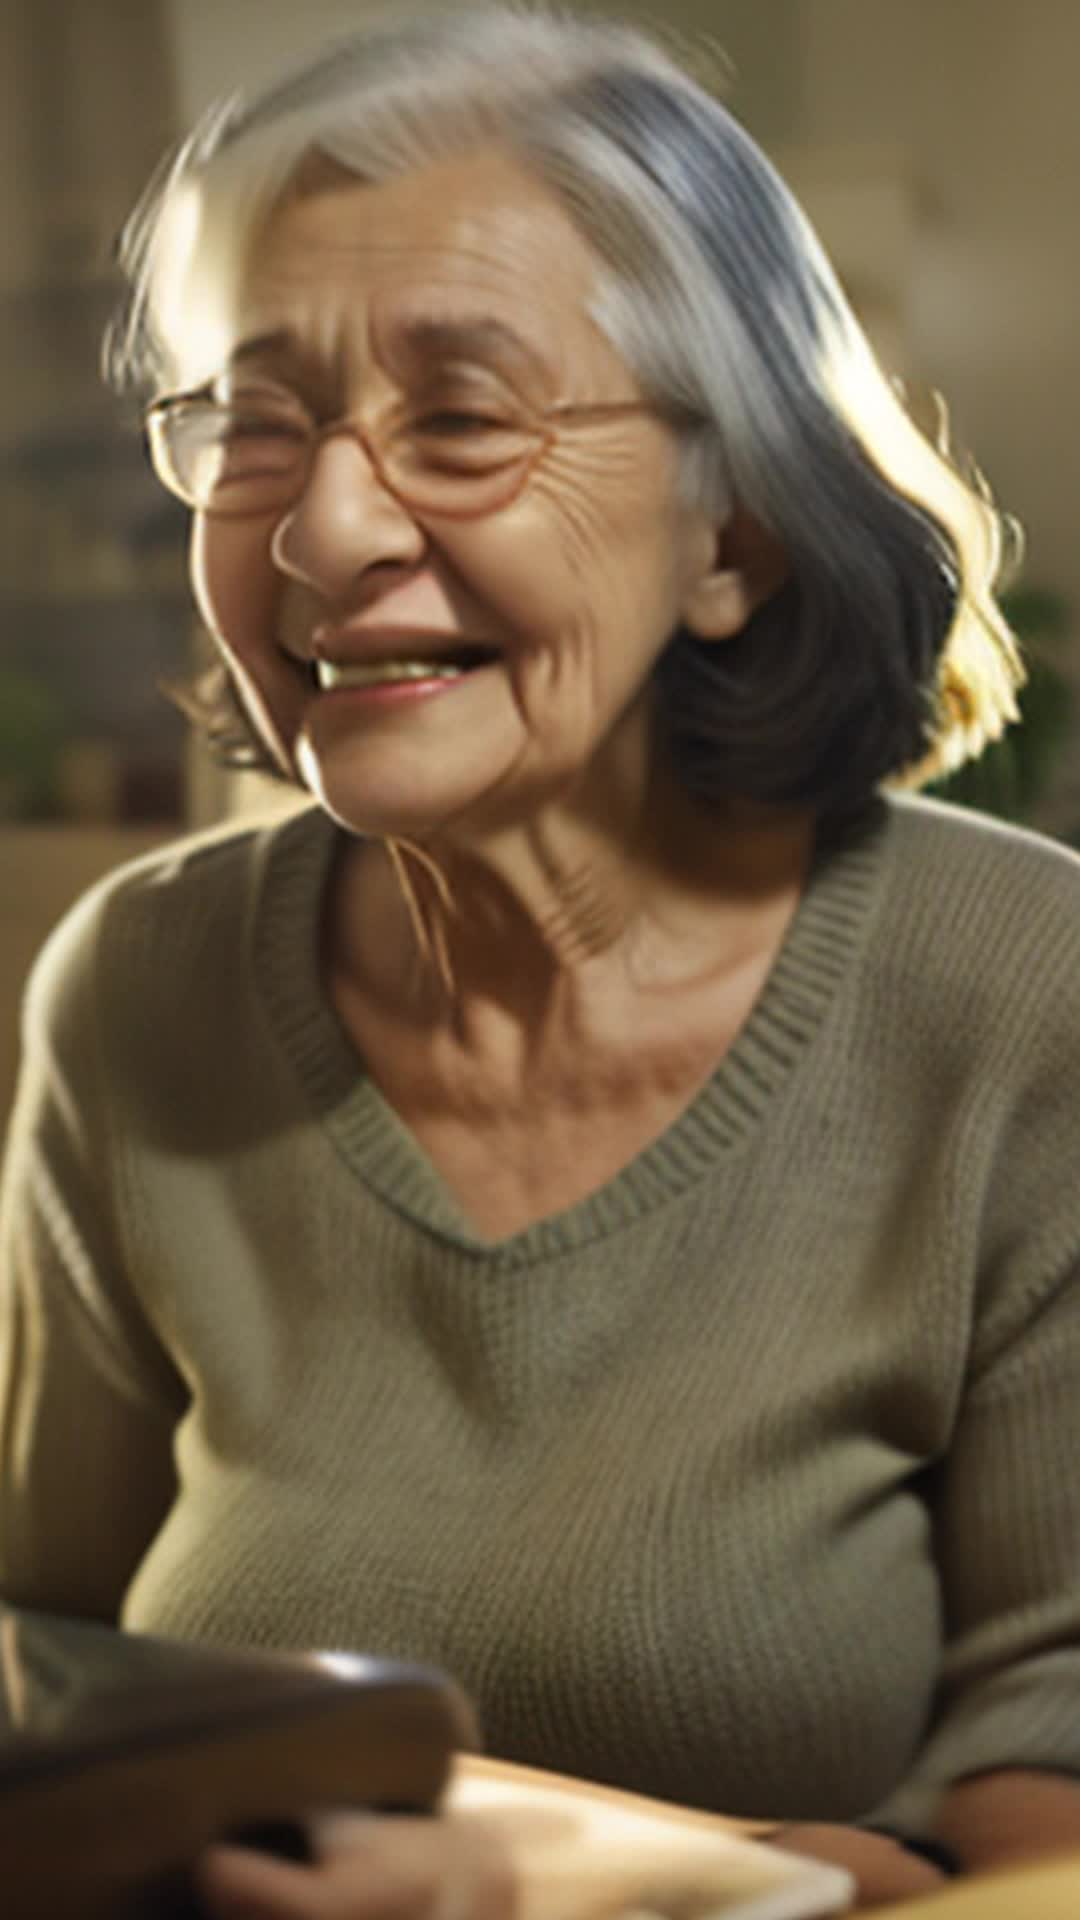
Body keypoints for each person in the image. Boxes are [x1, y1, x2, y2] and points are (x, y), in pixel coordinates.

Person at [2, 6, 1079, 1913]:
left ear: (731, 527)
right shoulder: (135, 998)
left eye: (463, 418)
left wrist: (593, 1881)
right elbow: (49, 1686)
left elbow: (1050, 1815)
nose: (324, 530)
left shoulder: (1025, 1000)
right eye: (254, 424)